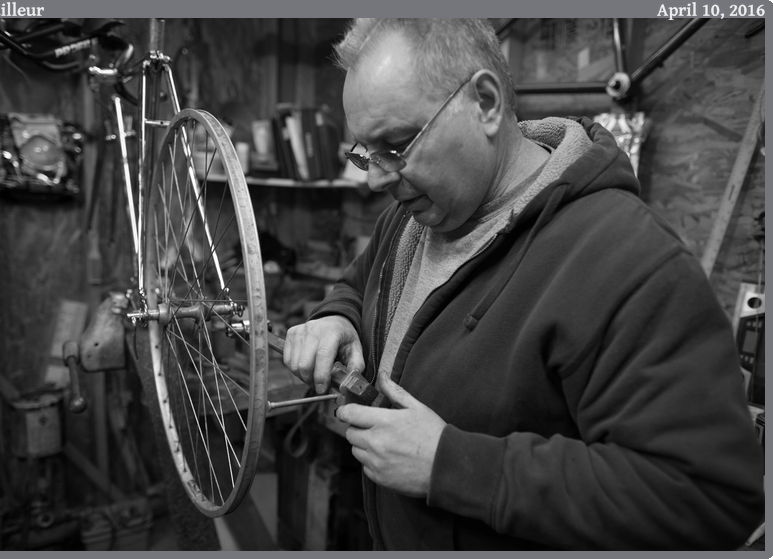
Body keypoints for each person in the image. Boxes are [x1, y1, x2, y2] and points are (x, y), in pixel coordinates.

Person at [282, 18, 764, 550]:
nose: (375, 179)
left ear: (485, 102)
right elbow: (362, 282)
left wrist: (454, 466)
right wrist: (339, 316)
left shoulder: (625, 260)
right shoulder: (416, 214)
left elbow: (709, 499)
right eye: (363, 154)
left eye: (395, 145)